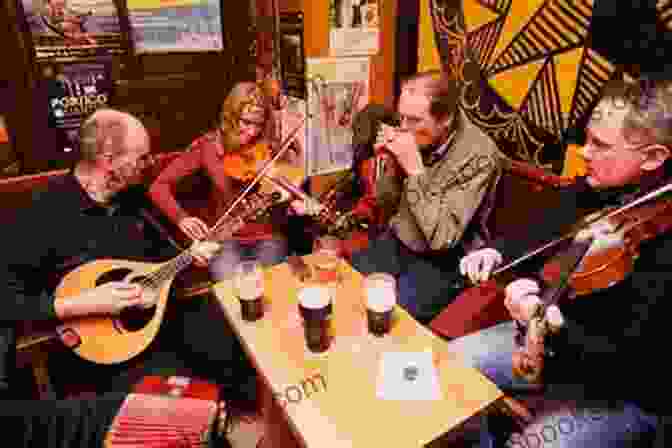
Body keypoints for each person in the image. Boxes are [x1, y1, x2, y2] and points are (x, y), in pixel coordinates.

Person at [0, 108, 256, 447]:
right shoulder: (43, 213)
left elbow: (163, 263)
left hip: (157, 321)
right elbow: (6, 301)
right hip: (101, 350)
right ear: (108, 159)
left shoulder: (134, 200)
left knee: (236, 334)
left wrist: (189, 258)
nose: (150, 163)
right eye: (142, 156)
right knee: (172, 413)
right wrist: (78, 304)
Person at [454, 78, 672, 447]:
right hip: (552, 339)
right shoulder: (599, 188)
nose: (584, 152)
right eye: (587, 138)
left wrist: (545, 325)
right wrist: (498, 251)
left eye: (600, 145)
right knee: (450, 368)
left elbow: (634, 363)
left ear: (652, 157)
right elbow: (542, 225)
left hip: (625, 389)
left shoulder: (661, 240)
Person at [346, 70, 502, 324]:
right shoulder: (411, 132)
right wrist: (390, 166)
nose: (404, 128)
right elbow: (386, 204)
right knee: (349, 289)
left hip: (445, 259)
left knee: (390, 318)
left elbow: (442, 238)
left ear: (446, 120)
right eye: (402, 117)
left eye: (415, 120)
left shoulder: (480, 155)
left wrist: (415, 170)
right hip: (400, 238)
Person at [148, 80, 305, 282]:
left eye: (258, 124)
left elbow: (285, 189)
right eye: (246, 122)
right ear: (230, 117)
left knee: (271, 291)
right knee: (231, 292)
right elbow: (158, 187)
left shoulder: (268, 148)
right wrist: (181, 217)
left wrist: (293, 200)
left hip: (268, 237)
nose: (252, 132)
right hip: (225, 240)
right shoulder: (208, 147)